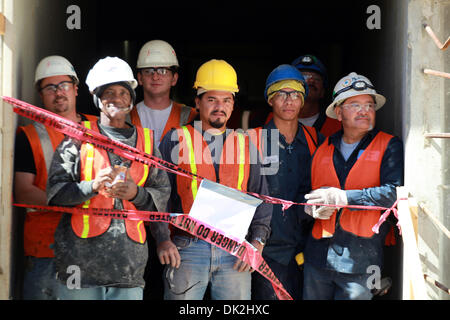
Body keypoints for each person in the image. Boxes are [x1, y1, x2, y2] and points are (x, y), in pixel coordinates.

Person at [46, 56, 170, 300]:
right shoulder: (77, 139)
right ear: (97, 99)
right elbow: (54, 194)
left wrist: (137, 194)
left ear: (132, 99)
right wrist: (90, 186)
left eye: (123, 92)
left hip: (128, 270)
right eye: (109, 92)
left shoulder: (146, 144)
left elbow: (163, 196)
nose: (116, 98)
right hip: (79, 269)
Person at [155, 59, 272, 300]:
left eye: (226, 100)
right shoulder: (176, 140)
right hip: (187, 249)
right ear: (197, 102)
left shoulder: (246, 144)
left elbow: (261, 196)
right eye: (212, 99)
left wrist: (257, 242)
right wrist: (163, 239)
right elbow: (159, 195)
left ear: (233, 104)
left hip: (235, 251)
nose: (220, 106)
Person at [302, 72, 404, 300]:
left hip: (361, 262)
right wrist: (310, 209)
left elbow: (394, 194)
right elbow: (305, 195)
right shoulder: (322, 148)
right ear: (338, 112)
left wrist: (344, 198)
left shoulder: (388, 145)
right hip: (317, 259)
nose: (364, 111)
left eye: (369, 105)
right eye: (355, 104)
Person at [14, 55, 97, 300]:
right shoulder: (29, 136)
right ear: (41, 94)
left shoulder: (99, 128)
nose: (58, 92)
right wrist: (72, 202)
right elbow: (23, 191)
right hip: (46, 251)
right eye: (50, 87)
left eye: (63, 85)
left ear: (76, 88)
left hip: (93, 248)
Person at [250, 64, 324, 300]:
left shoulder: (317, 141)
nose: (289, 100)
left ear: (302, 100)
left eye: (295, 94)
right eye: (281, 93)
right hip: (268, 250)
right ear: (270, 100)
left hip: (309, 250)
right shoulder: (253, 140)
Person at [129, 40, 197, 146]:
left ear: (174, 78)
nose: (155, 77)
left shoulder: (190, 116)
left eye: (163, 71)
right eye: (149, 71)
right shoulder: (126, 117)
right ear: (140, 78)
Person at [264, 55, 341, 137]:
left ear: (323, 91)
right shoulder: (268, 121)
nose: (311, 81)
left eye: (316, 78)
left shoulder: (335, 123)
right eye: (304, 77)